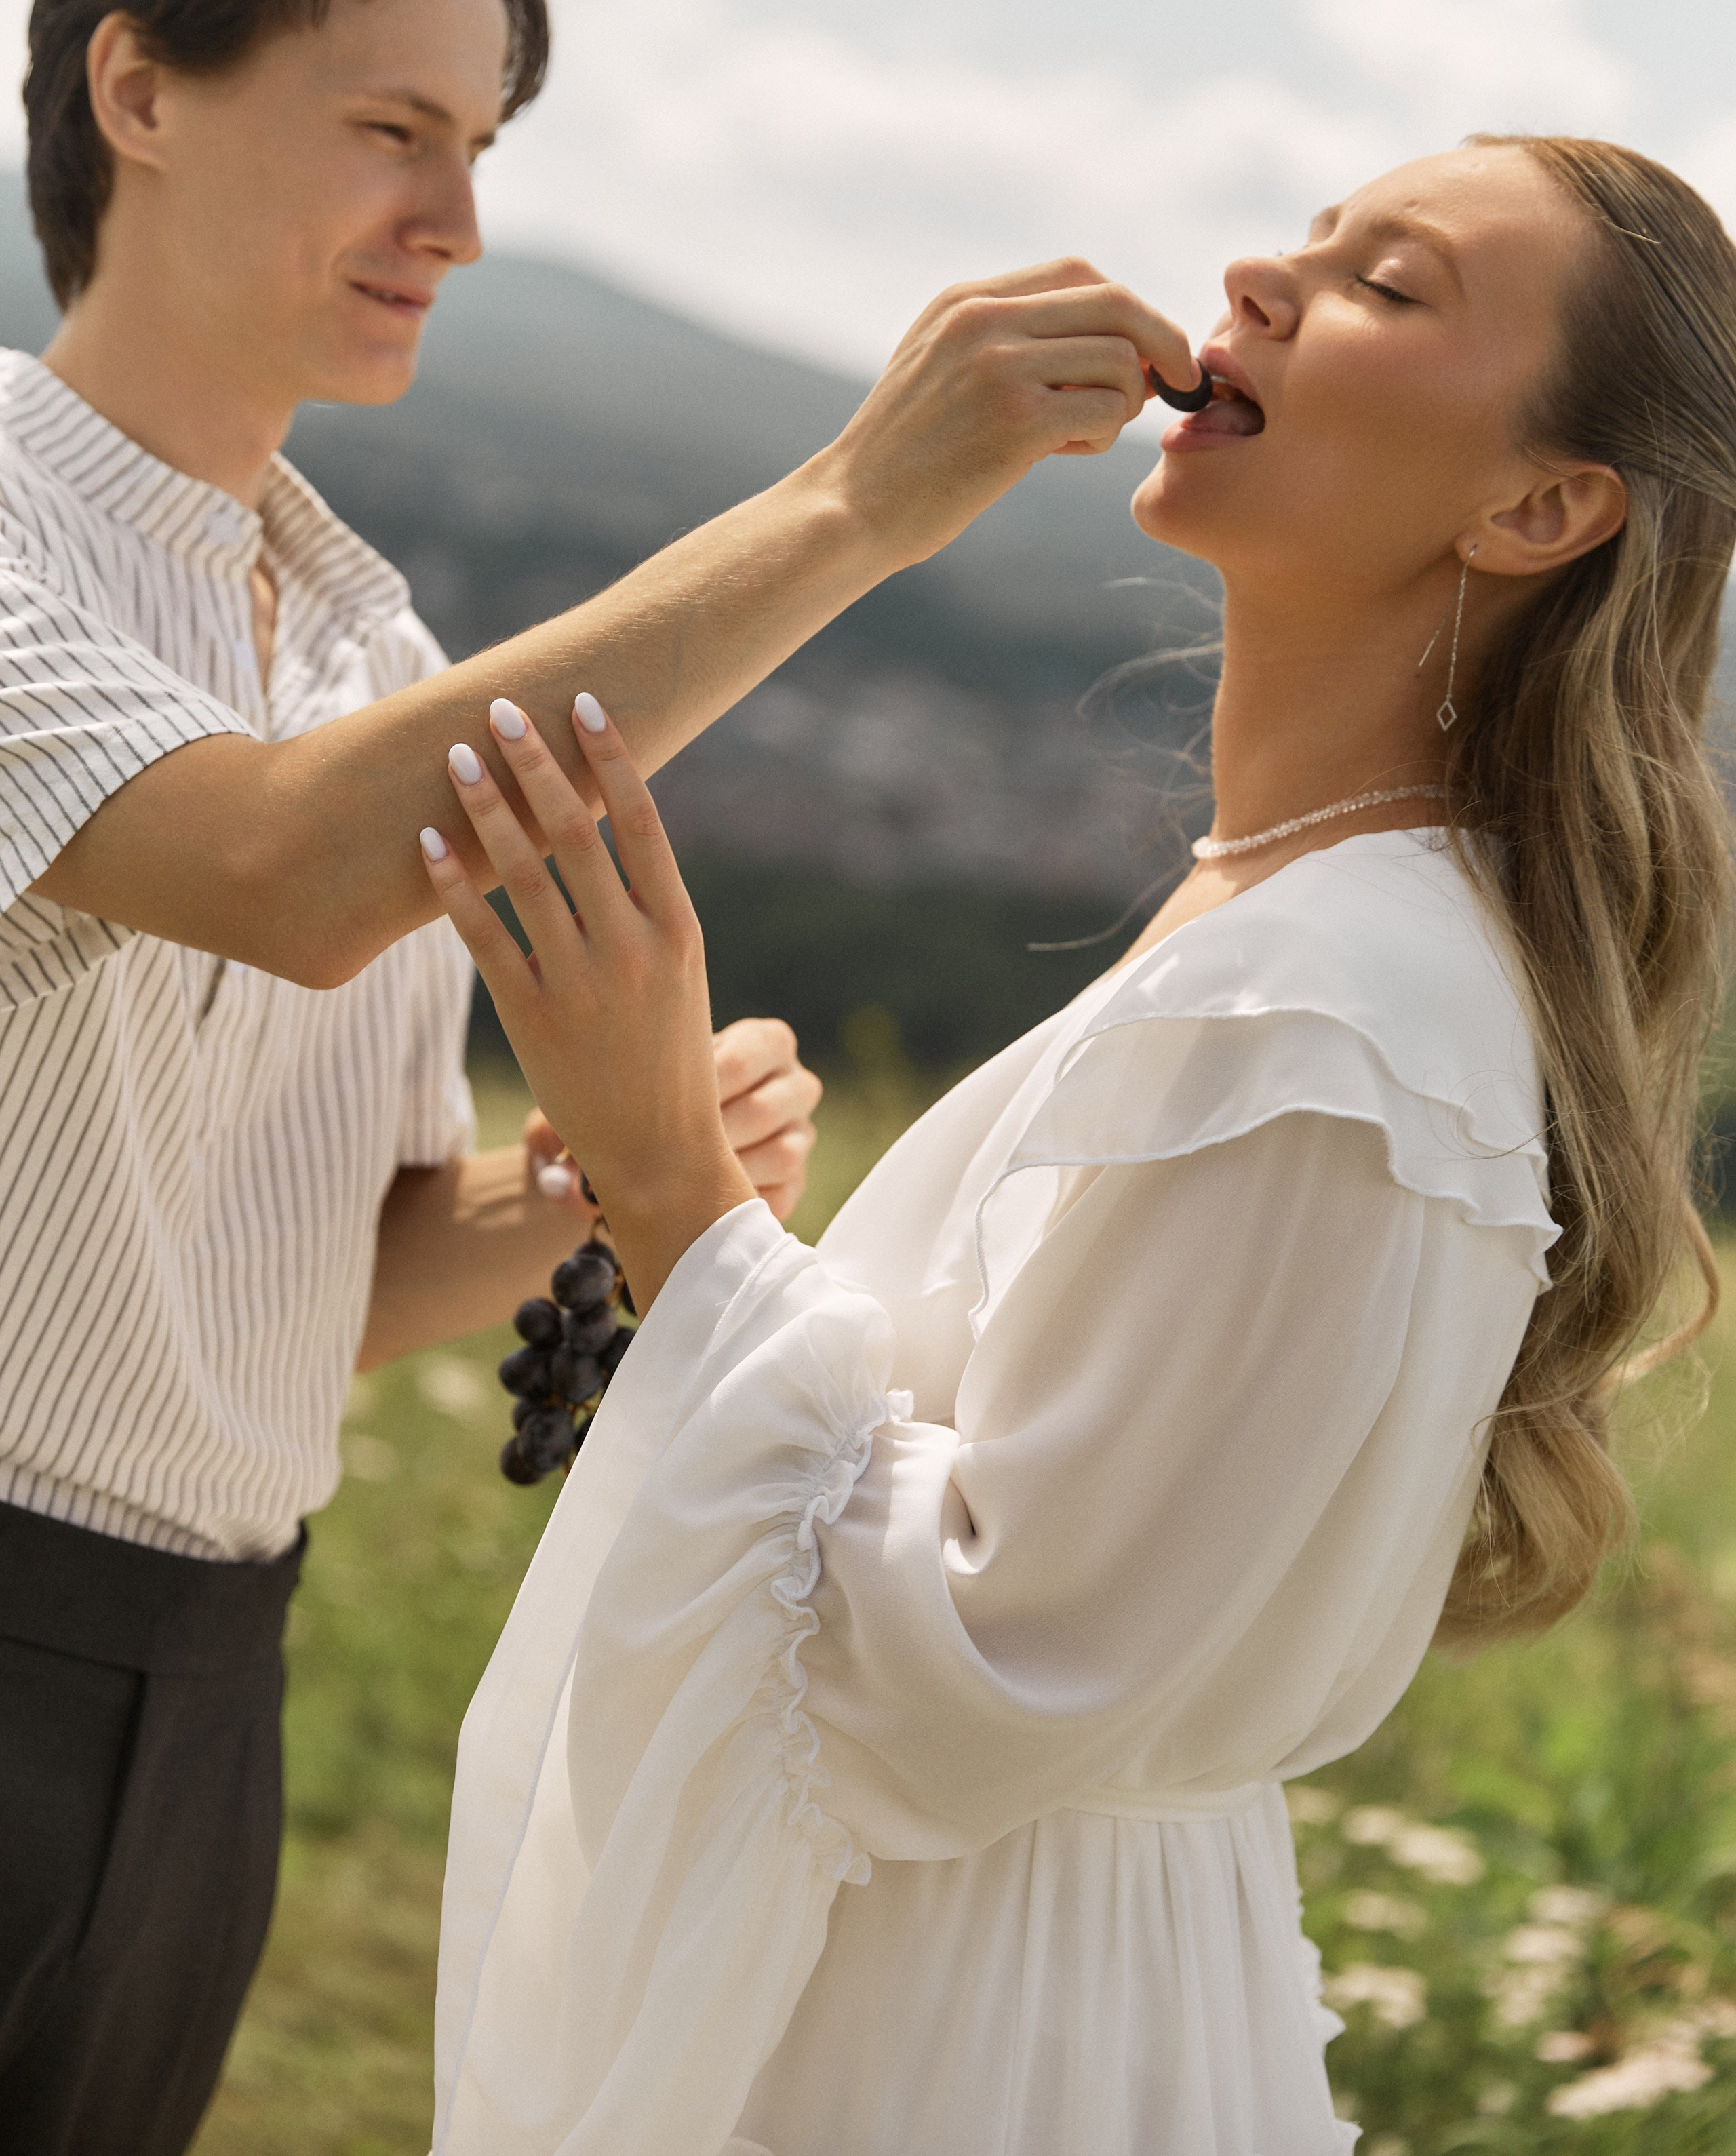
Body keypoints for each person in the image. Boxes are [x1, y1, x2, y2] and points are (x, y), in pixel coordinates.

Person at [0, 0, 1182, 2156]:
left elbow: (323, 1285)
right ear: (138, 92)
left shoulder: (374, 648)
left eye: (488, 144)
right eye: (393, 131)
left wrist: (586, 1193)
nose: (456, 222)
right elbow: (286, 867)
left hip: (210, 1677)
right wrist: (856, 498)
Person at [420, 134, 1735, 2155]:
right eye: (1309, 239)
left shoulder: (1331, 1008)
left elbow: (987, 1664)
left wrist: (677, 1181)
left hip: (963, 2045)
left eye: (1391, 285)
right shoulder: (1305, 925)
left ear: (1542, 505)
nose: (1264, 277)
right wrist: (758, 1261)